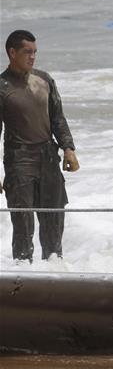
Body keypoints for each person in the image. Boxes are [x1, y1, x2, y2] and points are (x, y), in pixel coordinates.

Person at [0, 30, 79, 262]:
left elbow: (58, 118)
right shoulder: (2, 87)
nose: (32, 57)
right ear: (12, 52)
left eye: (35, 52)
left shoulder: (44, 79)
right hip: (19, 160)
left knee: (53, 222)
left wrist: (68, 148)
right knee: (23, 226)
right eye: (27, 52)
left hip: (48, 157)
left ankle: (54, 274)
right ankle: (23, 278)